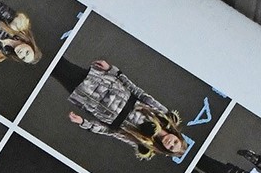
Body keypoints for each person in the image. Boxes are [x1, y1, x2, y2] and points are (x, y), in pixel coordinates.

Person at [51, 57, 187, 160]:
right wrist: (113, 71)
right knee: (62, 64)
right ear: (177, 135)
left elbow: (111, 131)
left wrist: (83, 122)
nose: (170, 142)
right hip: (108, 86)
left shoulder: (144, 145)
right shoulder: (163, 114)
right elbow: (138, 92)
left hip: (91, 101)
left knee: (55, 73)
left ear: (166, 150)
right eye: (175, 141)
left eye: (171, 147)